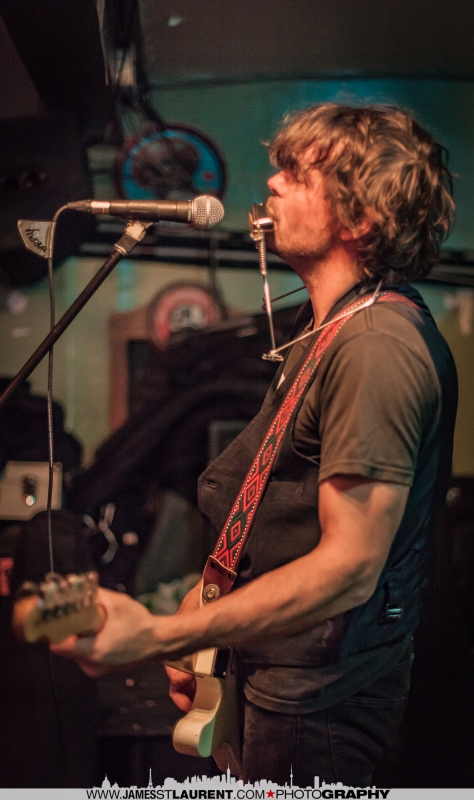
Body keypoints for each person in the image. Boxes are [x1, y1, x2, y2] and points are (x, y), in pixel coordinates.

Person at [52, 103, 458, 787]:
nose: (272, 182)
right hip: (279, 676)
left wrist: (160, 633)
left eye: (298, 174)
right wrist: (205, 611)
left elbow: (349, 567)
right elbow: (280, 514)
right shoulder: (330, 328)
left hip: (316, 701)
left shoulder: (376, 345)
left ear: (360, 218)